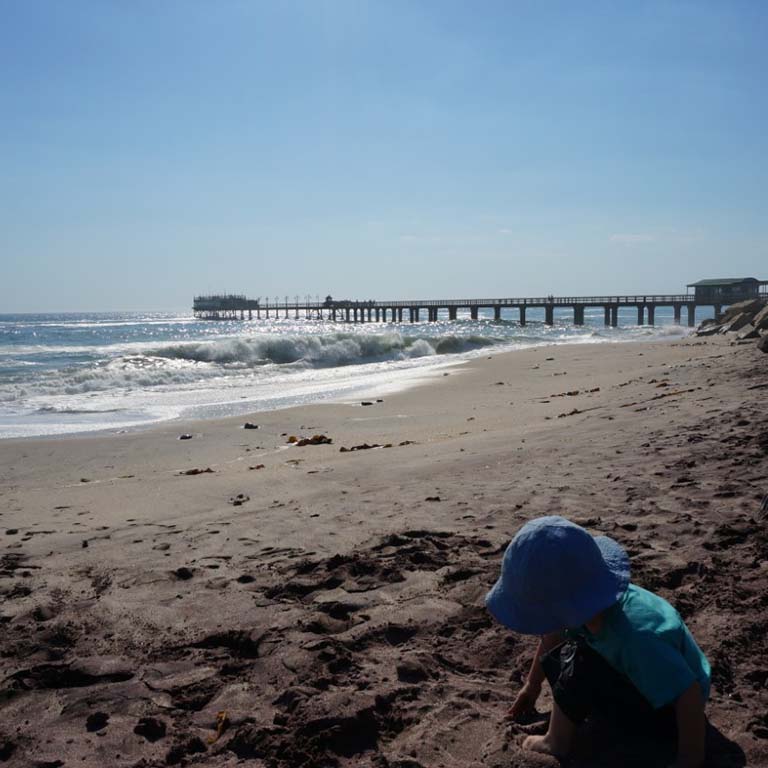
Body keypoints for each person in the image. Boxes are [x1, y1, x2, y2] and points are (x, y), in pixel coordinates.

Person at [486, 516, 710, 768]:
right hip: (641, 681)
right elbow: (553, 634)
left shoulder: (634, 637)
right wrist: (531, 686)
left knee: (577, 660)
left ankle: (555, 740)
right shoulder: (593, 602)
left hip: (668, 715)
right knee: (561, 654)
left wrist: (689, 760)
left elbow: (688, 693)